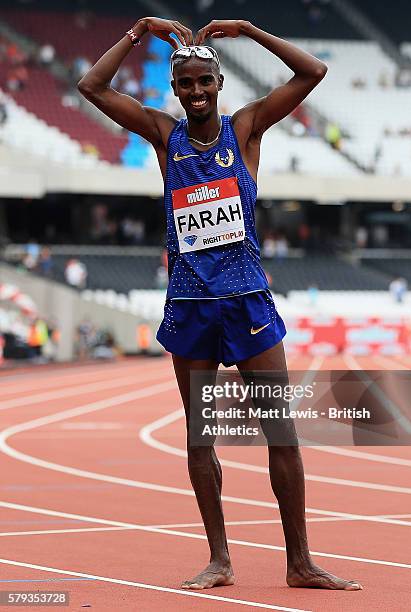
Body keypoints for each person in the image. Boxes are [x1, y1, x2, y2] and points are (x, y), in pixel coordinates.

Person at [78, 16, 361, 592]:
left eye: (206, 81)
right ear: (176, 90)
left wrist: (252, 32)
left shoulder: (247, 129)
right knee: (199, 435)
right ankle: (219, 558)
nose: (198, 92)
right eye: (187, 84)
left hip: (248, 300)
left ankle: (300, 561)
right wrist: (138, 31)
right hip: (190, 302)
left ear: (219, 83)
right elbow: (92, 87)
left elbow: (313, 71)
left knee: (281, 433)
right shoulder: (164, 135)